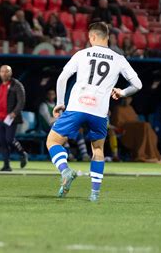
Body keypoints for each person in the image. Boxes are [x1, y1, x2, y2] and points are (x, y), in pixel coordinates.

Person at [46, 22, 142, 202]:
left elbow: (62, 78)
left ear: (92, 37)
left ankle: (65, 171)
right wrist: (122, 92)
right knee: (98, 149)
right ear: (108, 37)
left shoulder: (81, 54)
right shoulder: (118, 58)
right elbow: (138, 84)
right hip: (99, 111)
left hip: (77, 106)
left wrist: (60, 103)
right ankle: (94, 194)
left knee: (53, 141)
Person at [0, 65, 28, 171]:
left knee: (9, 139)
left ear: (10, 73)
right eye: (2, 71)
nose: (4, 73)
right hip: (0, 118)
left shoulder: (16, 85)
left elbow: (21, 101)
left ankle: (22, 153)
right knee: (3, 141)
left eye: (7, 71)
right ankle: (6, 165)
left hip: (11, 118)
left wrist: (14, 112)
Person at [111, 97, 161, 163]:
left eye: (129, 99)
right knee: (145, 126)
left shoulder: (130, 108)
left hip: (136, 128)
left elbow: (135, 120)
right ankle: (143, 155)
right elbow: (117, 124)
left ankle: (151, 155)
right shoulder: (118, 108)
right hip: (126, 130)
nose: (127, 101)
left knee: (146, 127)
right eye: (126, 99)